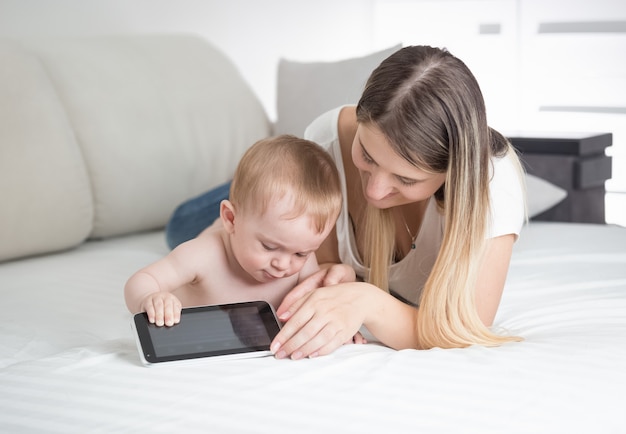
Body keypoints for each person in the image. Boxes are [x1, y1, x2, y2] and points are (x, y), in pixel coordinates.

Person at [166, 45, 526, 359]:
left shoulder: (492, 185)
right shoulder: (329, 141)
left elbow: (466, 329)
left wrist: (367, 300)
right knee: (189, 228)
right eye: (367, 156)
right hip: (272, 202)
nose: (374, 192)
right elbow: (297, 257)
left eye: (406, 179)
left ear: (451, 173)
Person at [124, 135, 356, 328]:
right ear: (231, 219)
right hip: (216, 233)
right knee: (182, 228)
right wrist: (150, 298)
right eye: (270, 246)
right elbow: (142, 280)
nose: (284, 265)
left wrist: (338, 324)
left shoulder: (301, 261)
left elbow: (320, 303)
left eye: (301, 254)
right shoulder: (202, 255)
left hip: (245, 226)